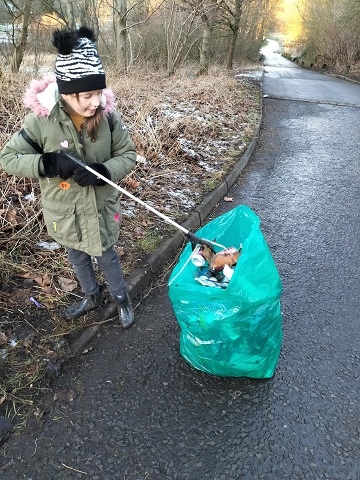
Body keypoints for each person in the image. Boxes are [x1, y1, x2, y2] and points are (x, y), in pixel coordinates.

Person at [0, 26, 137, 328]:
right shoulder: (41, 121)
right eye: (88, 95)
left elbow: (128, 156)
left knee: (107, 257)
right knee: (76, 256)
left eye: (99, 92)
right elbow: (8, 158)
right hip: (64, 210)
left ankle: (121, 299)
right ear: (66, 92)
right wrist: (49, 164)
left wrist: (104, 172)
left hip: (100, 209)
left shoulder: (109, 118)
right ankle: (92, 296)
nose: (96, 102)